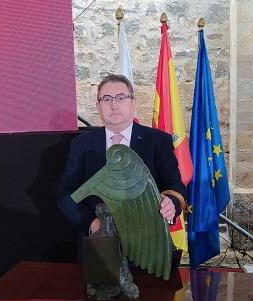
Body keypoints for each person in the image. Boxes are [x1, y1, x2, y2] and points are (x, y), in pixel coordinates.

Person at [58, 74, 187, 247]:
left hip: (149, 243)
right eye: (106, 99)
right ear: (98, 106)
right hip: (99, 245)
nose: (114, 105)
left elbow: (175, 186)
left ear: (133, 103)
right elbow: (66, 195)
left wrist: (171, 203)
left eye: (121, 97)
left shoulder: (158, 141)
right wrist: (94, 225)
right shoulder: (81, 145)